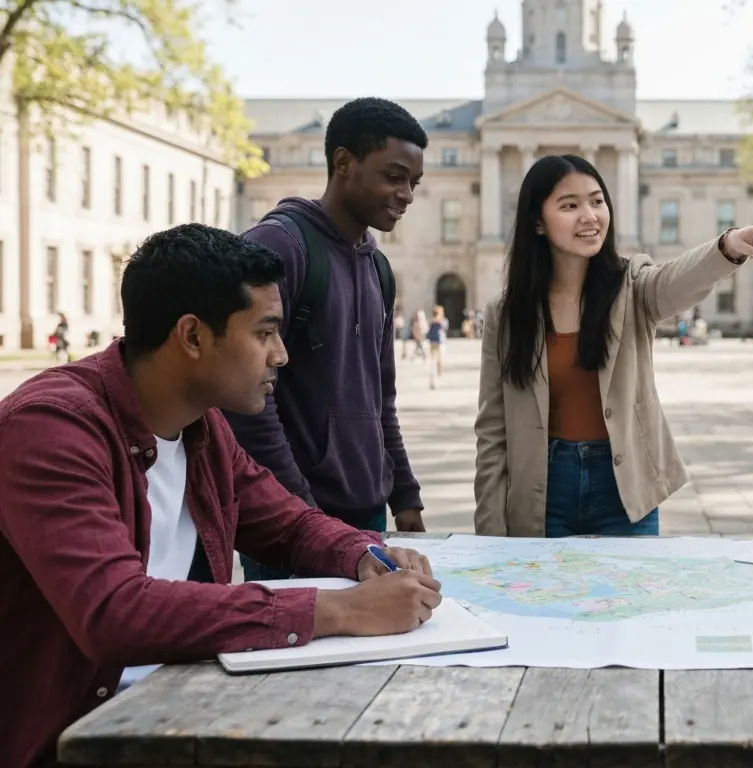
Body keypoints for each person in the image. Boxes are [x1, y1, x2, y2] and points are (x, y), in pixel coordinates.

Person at [0, 224, 443, 768]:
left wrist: (362, 554)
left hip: (176, 712)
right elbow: (115, 612)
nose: (281, 355)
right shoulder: (51, 429)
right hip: (64, 740)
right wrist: (341, 610)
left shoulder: (202, 428)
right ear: (192, 336)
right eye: (264, 333)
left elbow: (290, 524)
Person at [474, 154, 753, 537]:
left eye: (597, 200)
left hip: (623, 488)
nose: (589, 215)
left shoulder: (633, 286)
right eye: (570, 205)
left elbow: (678, 280)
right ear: (537, 221)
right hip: (541, 491)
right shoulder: (505, 315)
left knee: (628, 596)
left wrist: (729, 246)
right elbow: (492, 433)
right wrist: (488, 533)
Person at [226, 97, 430, 582]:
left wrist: (404, 492)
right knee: (297, 656)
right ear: (343, 163)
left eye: (414, 183)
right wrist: (304, 515)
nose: (406, 195)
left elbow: (380, 397)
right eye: (394, 176)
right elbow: (246, 404)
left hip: (365, 513)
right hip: (291, 521)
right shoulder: (280, 248)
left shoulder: (377, 267)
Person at [427, 304, 447, 388]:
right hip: (439, 342)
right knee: (439, 359)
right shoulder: (442, 321)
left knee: (433, 360)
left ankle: (435, 377)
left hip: (432, 342)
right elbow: (444, 329)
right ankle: (438, 375)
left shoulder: (432, 321)